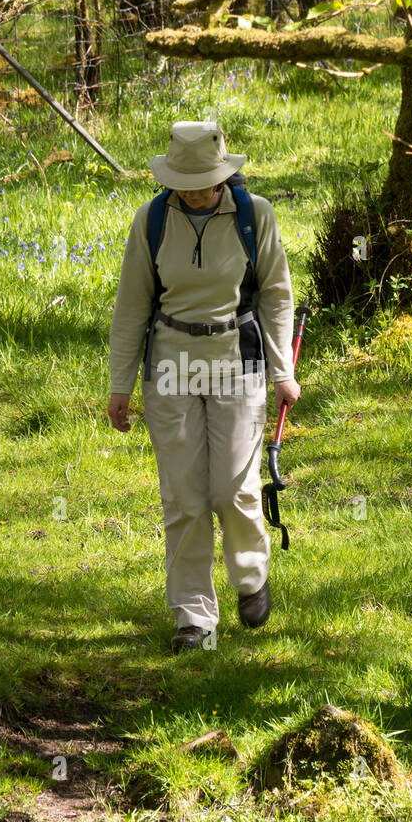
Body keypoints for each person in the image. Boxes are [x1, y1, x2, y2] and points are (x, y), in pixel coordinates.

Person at [107, 121, 300, 653]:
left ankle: (250, 574)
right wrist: (119, 383)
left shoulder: (253, 215)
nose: (193, 191)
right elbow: (131, 307)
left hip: (236, 359)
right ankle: (194, 620)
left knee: (231, 489)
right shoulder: (150, 220)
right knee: (185, 497)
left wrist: (283, 371)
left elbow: (277, 297)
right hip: (170, 363)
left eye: (204, 182)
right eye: (183, 182)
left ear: (224, 176)